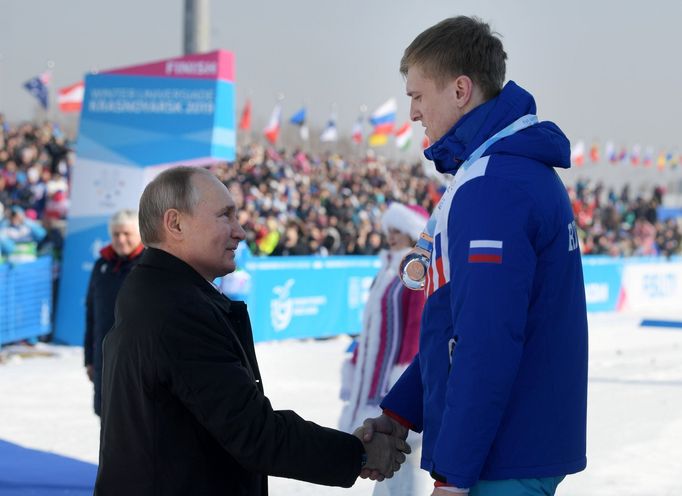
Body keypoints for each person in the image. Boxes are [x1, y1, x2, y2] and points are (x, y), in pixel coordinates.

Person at [360, 16, 588, 496]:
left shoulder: (493, 186)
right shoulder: (500, 172)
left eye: (418, 96)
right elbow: (459, 329)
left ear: (460, 90)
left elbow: (487, 341)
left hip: (502, 456)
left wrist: (454, 475)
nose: (415, 113)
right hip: (515, 447)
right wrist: (401, 413)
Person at [94, 166, 410, 496]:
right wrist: (356, 453)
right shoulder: (178, 309)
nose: (240, 232)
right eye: (225, 216)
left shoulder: (158, 291)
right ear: (175, 224)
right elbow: (254, 433)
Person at [339, 201, 432, 496]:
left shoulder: (413, 269)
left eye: (397, 230)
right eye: (388, 230)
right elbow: (369, 329)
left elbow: (416, 325)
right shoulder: (385, 272)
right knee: (386, 469)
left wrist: (402, 378)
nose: (391, 236)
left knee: (402, 462)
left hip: (395, 379)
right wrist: (355, 363)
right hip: (373, 377)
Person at [83, 209, 144, 416]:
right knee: (106, 417)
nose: (121, 239)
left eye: (127, 234)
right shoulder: (102, 265)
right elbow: (91, 313)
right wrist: (89, 359)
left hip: (138, 362)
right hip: (104, 359)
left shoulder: (150, 264)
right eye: (116, 234)